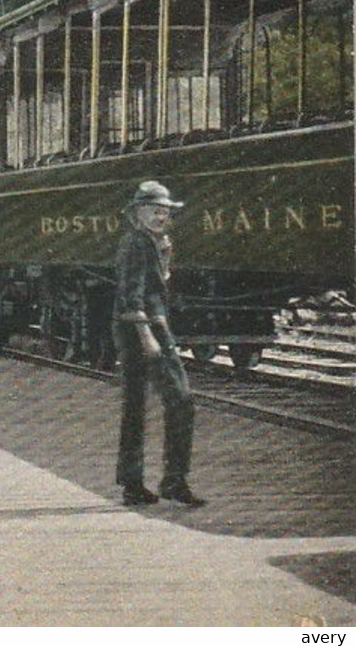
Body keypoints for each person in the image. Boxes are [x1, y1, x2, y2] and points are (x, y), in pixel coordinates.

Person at [114, 180, 204, 508]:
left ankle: (134, 483)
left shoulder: (153, 242)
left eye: (164, 211)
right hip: (141, 329)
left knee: (136, 405)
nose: (160, 216)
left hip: (145, 327)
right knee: (180, 400)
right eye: (153, 211)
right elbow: (131, 294)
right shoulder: (136, 244)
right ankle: (173, 480)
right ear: (137, 214)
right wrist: (148, 337)